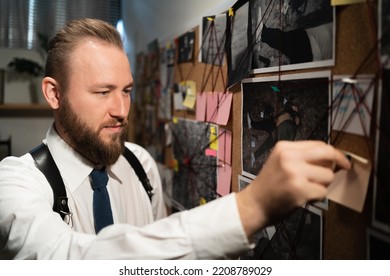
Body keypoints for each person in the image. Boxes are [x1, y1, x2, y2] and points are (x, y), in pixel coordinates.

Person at [0, 18, 350, 260]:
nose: (122, 109)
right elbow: (65, 261)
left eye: (127, 90)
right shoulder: (17, 182)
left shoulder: (139, 164)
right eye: (103, 91)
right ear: (54, 94)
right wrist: (249, 208)